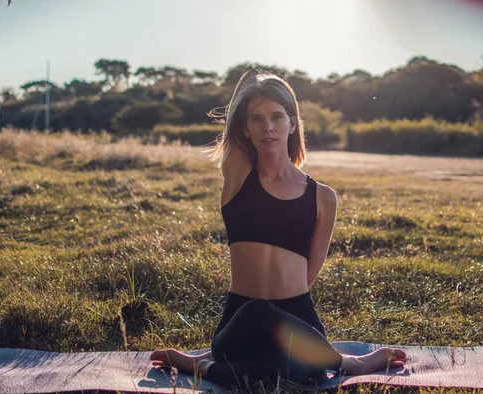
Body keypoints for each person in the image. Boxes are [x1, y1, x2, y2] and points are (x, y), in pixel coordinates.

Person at [150, 70, 406, 390]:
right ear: (244, 127)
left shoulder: (323, 197)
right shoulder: (238, 175)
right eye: (256, 118)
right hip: (243, 320)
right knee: (260, 311)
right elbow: (232, 130)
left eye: (276, 116)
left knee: (292, 376)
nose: (267, 127)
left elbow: (309, 273)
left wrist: (286, 321)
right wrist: (251, 84)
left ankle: (203, 365)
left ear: (292, 123)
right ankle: (346, 363)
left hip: (298, 319)